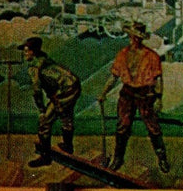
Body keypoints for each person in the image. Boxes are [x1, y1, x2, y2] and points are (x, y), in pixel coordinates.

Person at [97, 21, 170, 173]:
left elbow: (158, 79)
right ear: (130, 37)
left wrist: (159, 98)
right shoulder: (122, 54)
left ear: (142, 38)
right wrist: (103, 93)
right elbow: (114, 76)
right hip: (128, 93)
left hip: (146, 94)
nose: (134, 40)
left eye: (138, 37)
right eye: (133, 36)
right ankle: (118, 158)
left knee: (153, 127)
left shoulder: (152, 56)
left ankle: (162, 158)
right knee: (123, 126)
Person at [18, 37, 81, 168]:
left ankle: (46, 157)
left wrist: (41, 110)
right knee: (65, 114)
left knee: (45, 122)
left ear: (33, 52)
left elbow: (36, 91)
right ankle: (68, 146)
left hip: (65, 91)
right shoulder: (44, 59)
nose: (24, 54)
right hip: (73, 86)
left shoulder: (35, 66)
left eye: (26, 51)